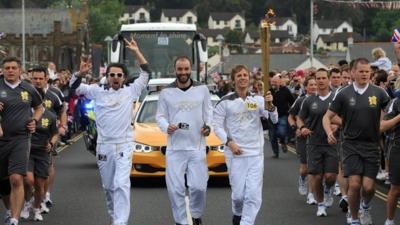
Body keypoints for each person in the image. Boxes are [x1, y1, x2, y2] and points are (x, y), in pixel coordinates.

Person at [69, 38, 149, 225]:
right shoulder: (97, 91)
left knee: (121, 184)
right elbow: (74, 88)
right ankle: (114, 217)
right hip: (104, 146)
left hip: (124, 144)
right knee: (109, 187)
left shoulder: (131, 90)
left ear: (124, 77)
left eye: (119, 75)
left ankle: (121, 222)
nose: (115, 77)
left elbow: (146, 72)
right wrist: (78, 73)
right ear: (108, 76)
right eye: (112, 74)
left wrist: (136, 51)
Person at [323, 58, 390, 225]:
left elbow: (388, 112)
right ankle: (353, 218)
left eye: (367, 71)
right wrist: (329, 131)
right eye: (361, 71)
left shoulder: (379, 93)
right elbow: (327, 116)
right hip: (350, 145)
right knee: (354, 185)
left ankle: (365, 207)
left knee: (368, 187)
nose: (365, 74)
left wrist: (383, 123)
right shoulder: (344, 93)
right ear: (353, 73)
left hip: (371, 146)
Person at [213, 65, 278, 225]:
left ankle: (246, 222)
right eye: (239, 75)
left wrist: (271, 105)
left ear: (249, 78)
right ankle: (237, 213)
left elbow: (273, 119)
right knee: (238, 196)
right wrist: (229, 142)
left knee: (253, 195)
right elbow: (217, 127)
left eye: (245, 75)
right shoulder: (225, 102)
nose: (243, 78)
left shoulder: (257, 99)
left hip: (255, 154)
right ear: (233, 79)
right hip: (235, 154)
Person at [156, 56, 212, 225]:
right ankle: (181, 221)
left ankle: (195, 214)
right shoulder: (166, 92)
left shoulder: (202, 89)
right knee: (175, 190)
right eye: (180, 69)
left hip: (197, 147)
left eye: (186, 69)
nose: (183, 72)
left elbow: (209, 112)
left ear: (191, 69)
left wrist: (208, 126)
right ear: (175, 70)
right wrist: (167, 126)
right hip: (175, 149)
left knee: (199, 187)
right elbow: (160, 116)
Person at [0, 56, 44, 225]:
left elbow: (40, 107)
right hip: (1, 140)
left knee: (16, 178)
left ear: (20, 70)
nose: (10, 70)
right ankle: (10, 210)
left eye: (13, 67)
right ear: (3, 70)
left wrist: (34, 120)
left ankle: (14, 219)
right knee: (3, 183)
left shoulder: (28, 88)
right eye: (7, 68)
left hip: (21, 139)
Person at [298, 68, 339, 217]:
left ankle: (329, 189)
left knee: (330, 176)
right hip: (314, 143)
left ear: (328, 80)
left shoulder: (336, 99)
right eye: (318, 79)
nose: (321, 81)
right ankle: (320, 204)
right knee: (315, 176)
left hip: (332, 143)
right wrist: (302, 128)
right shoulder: (309, 100)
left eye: (323, 78)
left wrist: (338, 125)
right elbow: (300, 118)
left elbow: (345, 118)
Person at [288, 76, 318, 204]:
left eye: (315, 84)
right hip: (303, 137)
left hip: (317, 137)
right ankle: (302, 178)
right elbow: (291, 116)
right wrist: (296, 127)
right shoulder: (300, 101)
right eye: (310, 85)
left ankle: (311, 194)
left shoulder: (322, 99)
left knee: (314, 168)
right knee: (305, 168)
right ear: (305, 87)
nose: (313, 87)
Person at [381, 97, 400, 225]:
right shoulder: (396, 102)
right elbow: (382, 126)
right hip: (397, 147)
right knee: (396, 188)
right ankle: (389, 220)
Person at [269, 74, 295, 158]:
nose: (273, 84)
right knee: (272, 136)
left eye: (275, 82)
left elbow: (292, 101)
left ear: (279, 82)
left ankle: (283, 141)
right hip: (271, 117)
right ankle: (275, 153)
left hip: (282, 115)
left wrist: (293, 112)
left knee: (281, 132)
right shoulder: (269, 91)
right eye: (272, 82)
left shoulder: (285, 90)